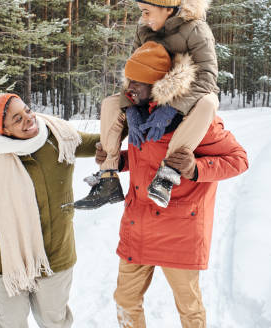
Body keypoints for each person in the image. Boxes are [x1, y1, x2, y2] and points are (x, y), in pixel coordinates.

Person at [96, 44, 249, 327]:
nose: (128, 89)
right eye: (127, 81)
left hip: (180, 228)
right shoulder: (136, 114)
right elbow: (146, 159)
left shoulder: (195, 118)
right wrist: (118, 162)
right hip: (137, 223)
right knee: (125, 301)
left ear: (158, 84)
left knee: (189, 309)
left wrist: (195, 168)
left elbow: (238, 159)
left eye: (136, 83)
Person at [0, 93, 99, 328]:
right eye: (17, 118)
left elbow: (101, 144)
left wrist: (133, 119)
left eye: (27, 110)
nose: (28, 119)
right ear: (3, 130)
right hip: (7, 258)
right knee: (11, 322)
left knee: (54, 321)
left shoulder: (58, 136)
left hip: (55, 254)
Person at [74, 0, 220, 210]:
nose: (144, 18)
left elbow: (208, 77)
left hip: (186, 95)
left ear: (166, 7)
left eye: (146, 11)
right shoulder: (143, 29)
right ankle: (108, 177)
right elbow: (134, 74)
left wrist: (172, 108)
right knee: (111, 103)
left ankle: (167, 174)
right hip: (150, 94)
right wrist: (132, 109)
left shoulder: (196, 30)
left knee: (209, 102)